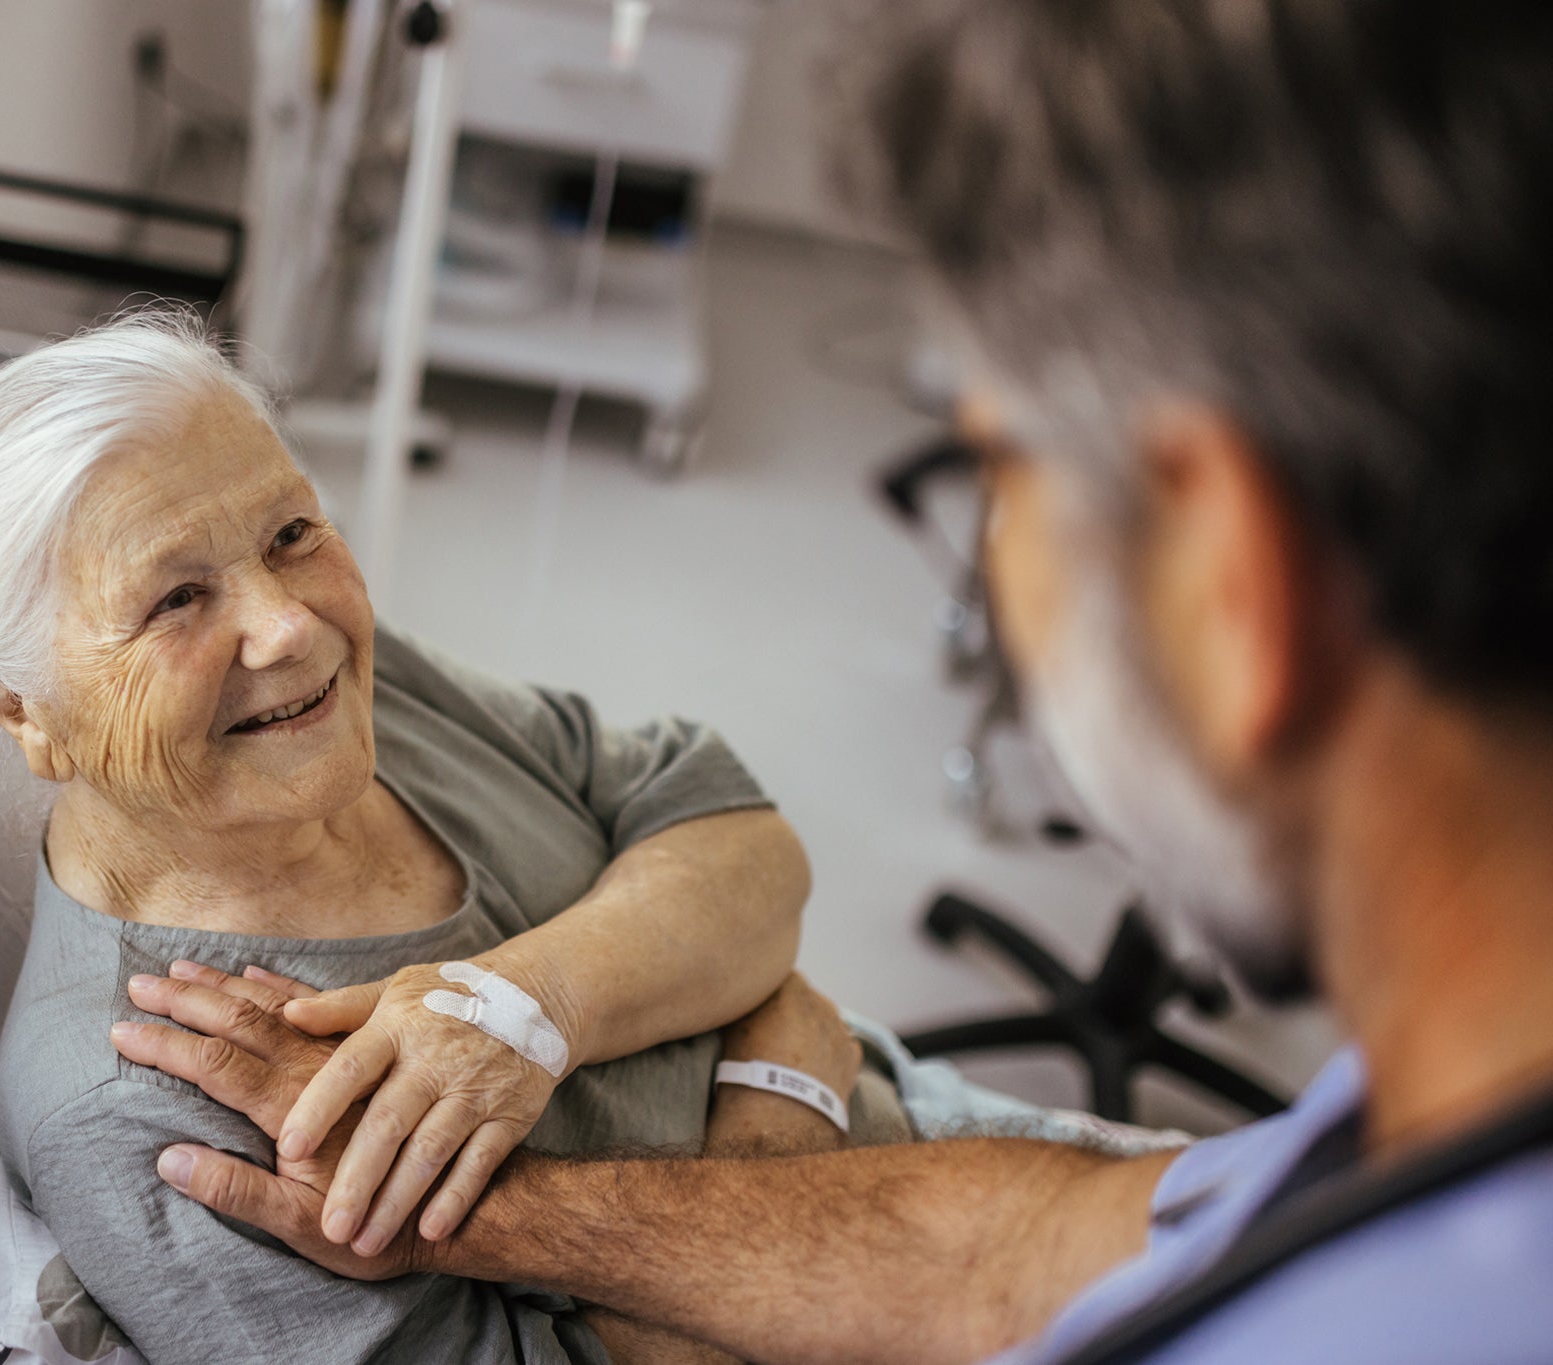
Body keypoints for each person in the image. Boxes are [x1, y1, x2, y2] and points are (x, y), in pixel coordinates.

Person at [123, 2, 1553, 1361]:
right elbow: (1017, 1251)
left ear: (1236, 588)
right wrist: (508, 1208)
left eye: (1000, 468)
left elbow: (722, 828)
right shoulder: (1451, 1099)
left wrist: (699, 1074)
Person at [0, 313, 911, 1364]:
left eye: (292, 533)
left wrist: (529, 1005)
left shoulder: (331, 699)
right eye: (175, 599)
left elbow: (733, 829)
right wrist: (781, 1101)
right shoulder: (146, 1109)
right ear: (21, 709)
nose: (288, 625)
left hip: (931, 1163)